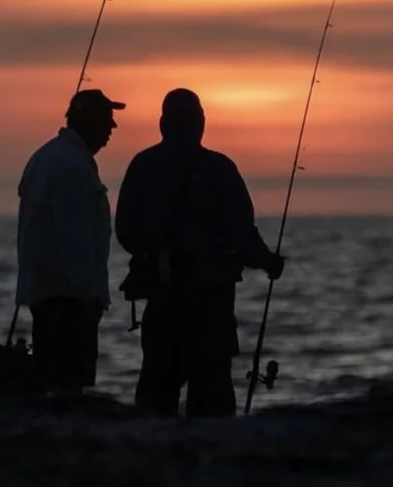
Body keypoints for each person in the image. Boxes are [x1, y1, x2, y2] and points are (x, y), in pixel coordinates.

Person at [115, 88, 284, 417]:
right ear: (201, 124)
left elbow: (125, 231)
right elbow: (242, 233)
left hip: (161, 301)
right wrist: (268, 262)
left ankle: (149, 459)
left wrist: (155, 253)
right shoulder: (220, 169)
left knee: (155, 394)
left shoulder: (142, 166)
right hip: (211, 305)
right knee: (212, 395)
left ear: (163, 124)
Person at [15, 88, 125, 396]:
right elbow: (73, 238)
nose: (112, 128)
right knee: (66, 386)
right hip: (67, 298)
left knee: (50, 381)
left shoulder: (50, 157)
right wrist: (88, 295)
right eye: (106, 119)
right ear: (86, 121)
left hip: (49, 292)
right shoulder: (71, 167)